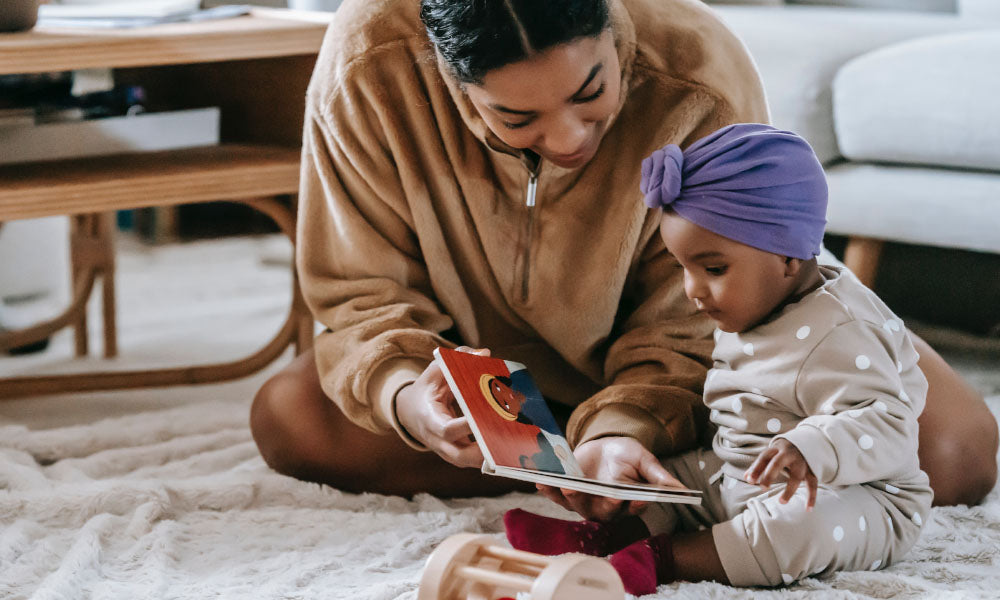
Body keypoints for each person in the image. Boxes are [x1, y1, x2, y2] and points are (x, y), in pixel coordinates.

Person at [249, 0, 997, 509]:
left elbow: (709, 315)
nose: (570, 139)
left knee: (954, 451)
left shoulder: (695, 64)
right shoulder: (369, 62)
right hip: (488, 367)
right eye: (516, 116)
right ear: (448, 75)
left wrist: (626, 426)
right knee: (291, 418)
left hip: (704, 367)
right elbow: (359, 294)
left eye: (591, 90)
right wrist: (411, 400)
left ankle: (625, 461)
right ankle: (626, 476)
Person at [504, 124, 933, 593]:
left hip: (856, 495)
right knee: (669, 481)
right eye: (682, 268)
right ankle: (606, 537)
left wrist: (813, 446)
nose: (692, 291)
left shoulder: (844, 329)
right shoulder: (753, 304)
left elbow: (890, 423)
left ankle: (662, 560)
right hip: (741, 471)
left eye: (712, 269)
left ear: (788, 256)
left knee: (794, 529)